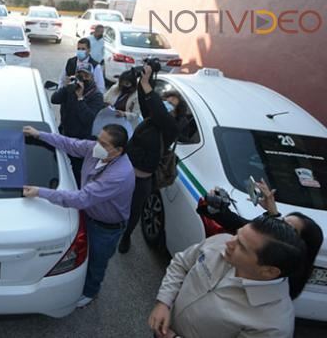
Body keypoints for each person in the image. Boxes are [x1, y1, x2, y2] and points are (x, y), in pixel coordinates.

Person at [22, 124, 135, 308]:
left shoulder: (119, 175)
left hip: (105, 227)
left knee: (97, 262)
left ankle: (90, 292)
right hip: (89, 214)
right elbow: (70, 143)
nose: (96, 145)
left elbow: (82, 198)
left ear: (118, 150)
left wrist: (39, 192)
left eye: (103, 143)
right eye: (98, 139)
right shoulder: (97, 151)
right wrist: (39, 135)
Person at [148, 217, 306, 338]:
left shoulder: (274, 325)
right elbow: (181, 263)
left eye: (242, 247)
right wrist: (164, 302)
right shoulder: (222, 243)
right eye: (237, 234)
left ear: (269, 271)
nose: (229, 242)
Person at [198, 179, 324, 299]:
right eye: (282, 222)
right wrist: (216, 207)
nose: (230, 244)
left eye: (289, 228)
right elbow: (238, 224)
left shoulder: (278, 289)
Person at [118, 65, 178, 254]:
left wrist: (146, 83)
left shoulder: (170, 128)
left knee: (134, 211)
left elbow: (159, 111)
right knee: (116, 203)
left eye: (172, 105)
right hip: (124, 171)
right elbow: (147, 102)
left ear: (176, 113)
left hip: (142, 179)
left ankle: (126, 236)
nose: (166, 106)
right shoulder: (151, 120)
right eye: (165, 102)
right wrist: (143, 80)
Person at [52, 64, 105, 185]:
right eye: (80, 74)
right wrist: (65, 87)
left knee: (77, 172)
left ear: (91, 77)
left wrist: (80, 98)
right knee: (59, 165)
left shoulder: (96, 96)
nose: (83, 78)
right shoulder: (71, 89)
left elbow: (89, 119)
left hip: (80, 139)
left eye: (86, 75)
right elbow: (54, 99)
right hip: (65, 133)